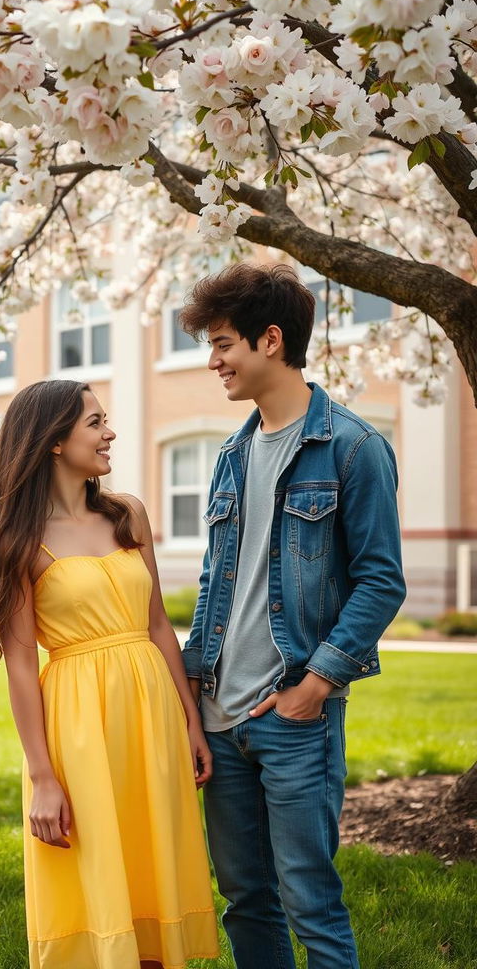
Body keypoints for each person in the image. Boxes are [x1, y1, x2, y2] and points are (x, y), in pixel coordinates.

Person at [178, 263, 407, 969]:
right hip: (221, 716)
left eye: (223, 344)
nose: (212, 360)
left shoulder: (353, 447)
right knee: (246, 899)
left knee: (309, 898)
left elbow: (381, 581)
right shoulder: (230, 455)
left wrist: (314, 688)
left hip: (293, 719)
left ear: (270, 340)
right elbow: (218, 579)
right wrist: (192, 684)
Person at [0, 379, 219, 969]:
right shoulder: (16, 540)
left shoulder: (128, 513)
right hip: (79, 726)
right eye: (95, 423)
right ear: (54, 441)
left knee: (151, 877)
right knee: (99, 877)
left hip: (150, 712)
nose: (110, 433)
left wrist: (190, 723)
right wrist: (43, 777)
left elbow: (157, 623)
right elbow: (22, 667)